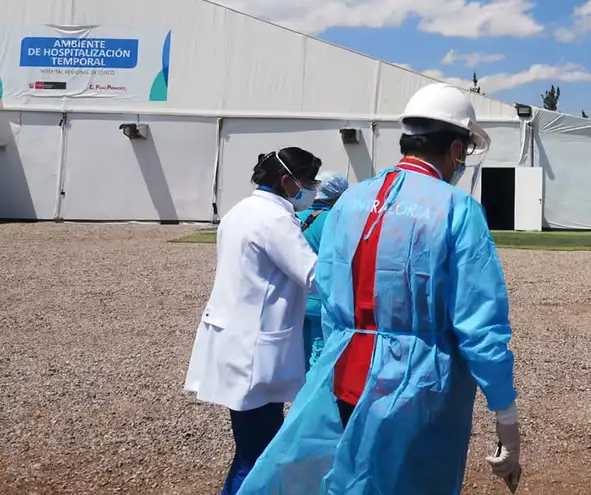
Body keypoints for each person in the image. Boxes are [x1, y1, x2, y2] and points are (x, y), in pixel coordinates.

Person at [235, 82, 521, 495]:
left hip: (348, 373)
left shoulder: (351, 201)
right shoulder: (458, 209)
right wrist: (505, 412)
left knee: (352, 477)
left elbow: (330, 296)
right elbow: (480, 322)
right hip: (422, 388)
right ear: (456, 150)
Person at [184, 147, 323, 495]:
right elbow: (314, 274)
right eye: (308, 181)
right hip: (255, 350)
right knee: (258, 457)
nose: (311, 189)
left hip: (235, 340)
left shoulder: (240, 211)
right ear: (287, 181)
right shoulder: (274, 219)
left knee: (250, 448)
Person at [295, 171, 350, 373]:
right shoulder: (336, 221)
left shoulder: (294, 217)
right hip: (323, 299)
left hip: (297, 296)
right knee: (320, 353)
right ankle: (314, 399)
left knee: (300, 351)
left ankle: (298, 396)